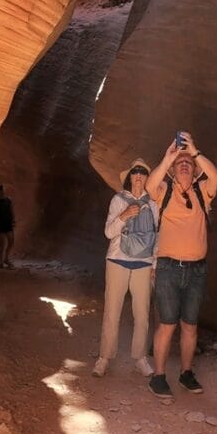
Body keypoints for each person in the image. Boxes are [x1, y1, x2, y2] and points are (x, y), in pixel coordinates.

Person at [145, 133, 217, 402]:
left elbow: (216, 176)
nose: (185, 164)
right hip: (168, 268)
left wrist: (195, 151)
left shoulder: (202, 192)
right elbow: (150, 185)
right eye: (181, 162)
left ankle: (186, 373)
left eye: (188, 162)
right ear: (174, 171)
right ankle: (159, 376)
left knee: (190, 325)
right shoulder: (164, 192)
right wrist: (168, 158)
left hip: (197, 270)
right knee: (166, 325)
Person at [92, 158, 158, 379]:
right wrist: (124, 216)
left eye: (143, 172)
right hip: (117, 261)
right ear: (130, 177)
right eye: (135, 171)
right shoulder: (118, 200)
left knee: (142, 314)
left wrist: (154, 265)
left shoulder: (154, 203)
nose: (138, 175)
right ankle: (104, 358)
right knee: (112, 311)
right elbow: (109, 233)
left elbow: (157, 237)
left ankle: (140, 358)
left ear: (147, 178)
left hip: (143, 264)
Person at [0, 184, 16, 268]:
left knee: (11, 241)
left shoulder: (8, 200)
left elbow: (11, 210)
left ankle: (6, 258)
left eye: (1, 191)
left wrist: (13, 220)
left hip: (7, 223)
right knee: (2, 244)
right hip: (0, 224)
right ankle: (1, 262)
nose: (0, 192)